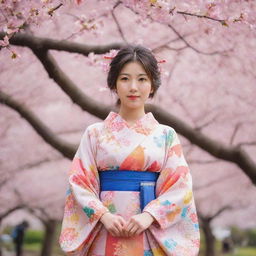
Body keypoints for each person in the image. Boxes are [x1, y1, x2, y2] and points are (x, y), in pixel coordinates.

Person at [59, 45, 200, 255]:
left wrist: (149, 215)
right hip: (105, 226)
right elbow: (79, 182)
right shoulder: (95, 133)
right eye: (125, 79)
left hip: (149, 227)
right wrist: (103, 215)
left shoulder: (166, 135)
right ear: (114, 84)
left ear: (152, 85)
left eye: (142, 79)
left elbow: (180, 186)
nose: (133, 87)